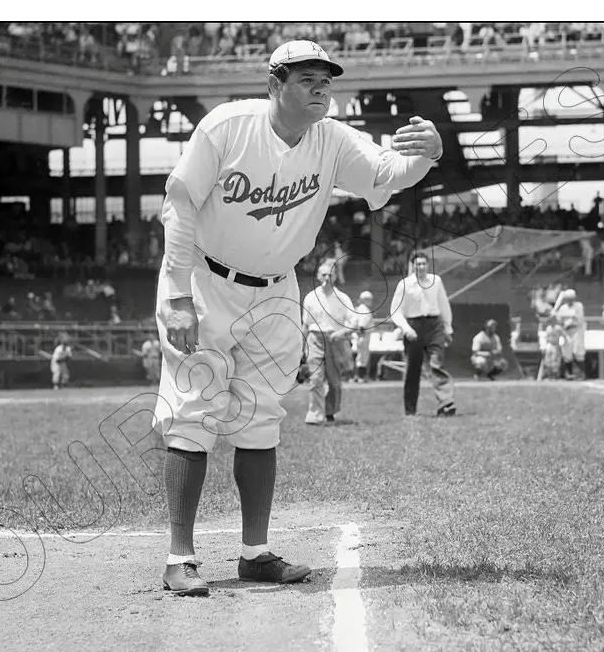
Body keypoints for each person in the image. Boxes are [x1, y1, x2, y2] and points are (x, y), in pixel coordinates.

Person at [155, 39, 442, 596]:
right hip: (207, 282)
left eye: (326, 80)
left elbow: (386, 172)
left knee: (262, 417)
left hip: (278, 290)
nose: (320, 88)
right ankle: (179, 557)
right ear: (274, 85)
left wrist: (428, 154)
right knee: (192, 413)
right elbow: (180, 202)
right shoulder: (226, 127)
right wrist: (177, 295)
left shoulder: (331, 138)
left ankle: (254, 552)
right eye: (306, 79)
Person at [389, 249, 455, 416]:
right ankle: (410, 410)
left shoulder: (436, 281)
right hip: (413, 326)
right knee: (413, 369)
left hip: (434, 325)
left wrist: (448, 328)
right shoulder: (404, 284)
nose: (421, 267)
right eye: (418, 264)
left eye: (424, 263)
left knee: (436, 363)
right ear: (412, 266)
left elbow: (444, 304)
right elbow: (395, 311)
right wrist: (406, 329)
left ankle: (446, 403)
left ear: (428, 265)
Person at [301, 259, 357, 425]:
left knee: (334, 382)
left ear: (335, 277)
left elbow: (353, 322)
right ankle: (315, 415)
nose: (326, 278)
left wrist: (342, 332)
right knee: (316, 379)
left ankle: (330, 411)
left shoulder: (343, 298)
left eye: (330, 274)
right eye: (323, 274)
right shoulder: (311, 297)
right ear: (318, 276)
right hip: (315, 339)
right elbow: (305, 324)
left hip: (335, 340)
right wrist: (302, 347)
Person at [554, 288, 587, 379]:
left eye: (571, 299)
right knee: (566, 354)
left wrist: (559, 314)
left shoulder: (578, 306)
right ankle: (569, 373)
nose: (570, 301)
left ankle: (581, 374)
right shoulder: (563, 307)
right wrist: (554, 314)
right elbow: (559, 321)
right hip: (566, 332)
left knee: (578, 352)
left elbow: (574, 315)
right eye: (568, 299)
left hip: (577, 330)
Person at [352, 290, 374, 383]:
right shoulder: (364, 309)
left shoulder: (360, 308)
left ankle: (357, 376)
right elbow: (362, 325)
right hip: (363, 335)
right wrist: (361, 335)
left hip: (360, 335)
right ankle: (361, 377)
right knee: (363, 356)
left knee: (360, 357)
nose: (371, 301)